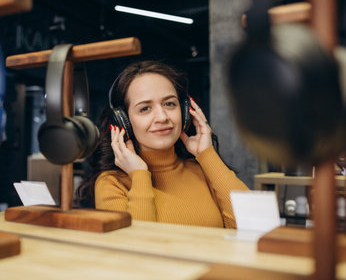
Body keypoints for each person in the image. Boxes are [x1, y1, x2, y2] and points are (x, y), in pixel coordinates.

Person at [76, 60, 249, 228]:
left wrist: (207, 154)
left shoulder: (202, 169)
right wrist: (139, 175)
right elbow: (137, 249)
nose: (162, 117)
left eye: (169, 104)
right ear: (124, 121)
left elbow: (251, 225)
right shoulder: (112, 184)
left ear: (185, 112)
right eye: (145, 108)